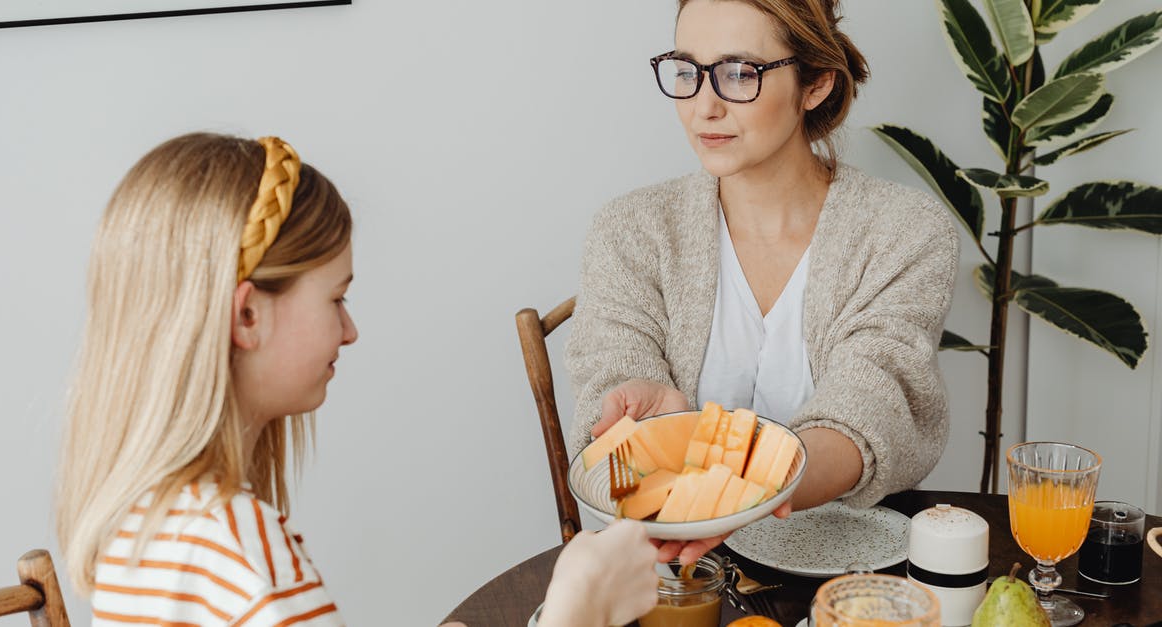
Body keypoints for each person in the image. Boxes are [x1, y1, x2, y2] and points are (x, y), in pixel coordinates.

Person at [55, 132, 658, 626]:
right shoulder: (233, 546)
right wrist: (578, 612)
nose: (350, 331)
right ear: (246, 315)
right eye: (336, 299)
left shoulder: (153, 524)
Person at [566, 0, 959, 565]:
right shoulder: (631, 228)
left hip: (852, 570)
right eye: (686, 71)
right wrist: (651, 425)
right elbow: (611, 393)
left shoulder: (903, 231)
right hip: (673, 570)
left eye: (738, 73)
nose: (704, 107)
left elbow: (874, 404)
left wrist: (755, 487)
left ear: (815, 84)